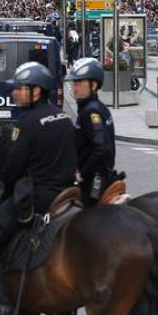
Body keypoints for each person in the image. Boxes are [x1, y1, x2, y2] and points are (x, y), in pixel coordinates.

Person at [0, 62, 77, 315]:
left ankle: (1, 310)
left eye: (20, 89)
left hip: (38, 197)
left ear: (37, 91)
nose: (15, 93)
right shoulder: (63, 117)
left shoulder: (25, 124)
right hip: (66, 194)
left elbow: (12, 169)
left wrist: (1, 196)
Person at [66, 58, 116, 207]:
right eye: (74, 83)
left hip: (93, 181)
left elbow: (101, 147)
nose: (74, 87)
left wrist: (82, 174)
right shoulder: (97, 107)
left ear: (93, 85)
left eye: (79, 83)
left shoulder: (91, 111)